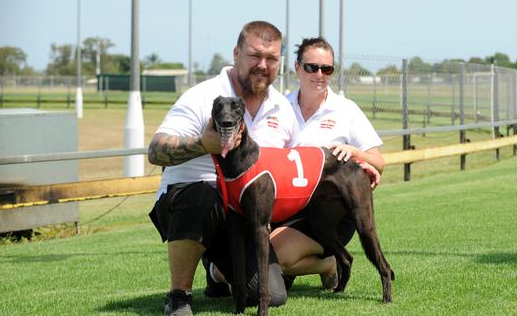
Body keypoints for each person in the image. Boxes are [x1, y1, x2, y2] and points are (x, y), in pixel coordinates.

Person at [148, 21, 298, 316]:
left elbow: (290, 168)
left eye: (271, 59)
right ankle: (179, 296)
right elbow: (155, 150)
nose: (262, 65)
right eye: (255, 55)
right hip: (191, 205)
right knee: (204, 195)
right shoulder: (202, 96)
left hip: (241, 217)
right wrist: (203, 144)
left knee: (271, 294)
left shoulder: (282, 107)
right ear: (236, 53)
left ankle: (217, 268)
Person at [270, 37, 385, 290]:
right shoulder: (278, 107)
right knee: (251, 261)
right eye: (312, 67)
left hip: (329, 214)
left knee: (275, 256)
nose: (319, 74)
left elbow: (379, 162)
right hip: (286, 209)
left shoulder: (346, 110)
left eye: (327, 69)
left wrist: (355, 152)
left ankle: (331, 263)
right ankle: (293, 269)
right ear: (297, 67)